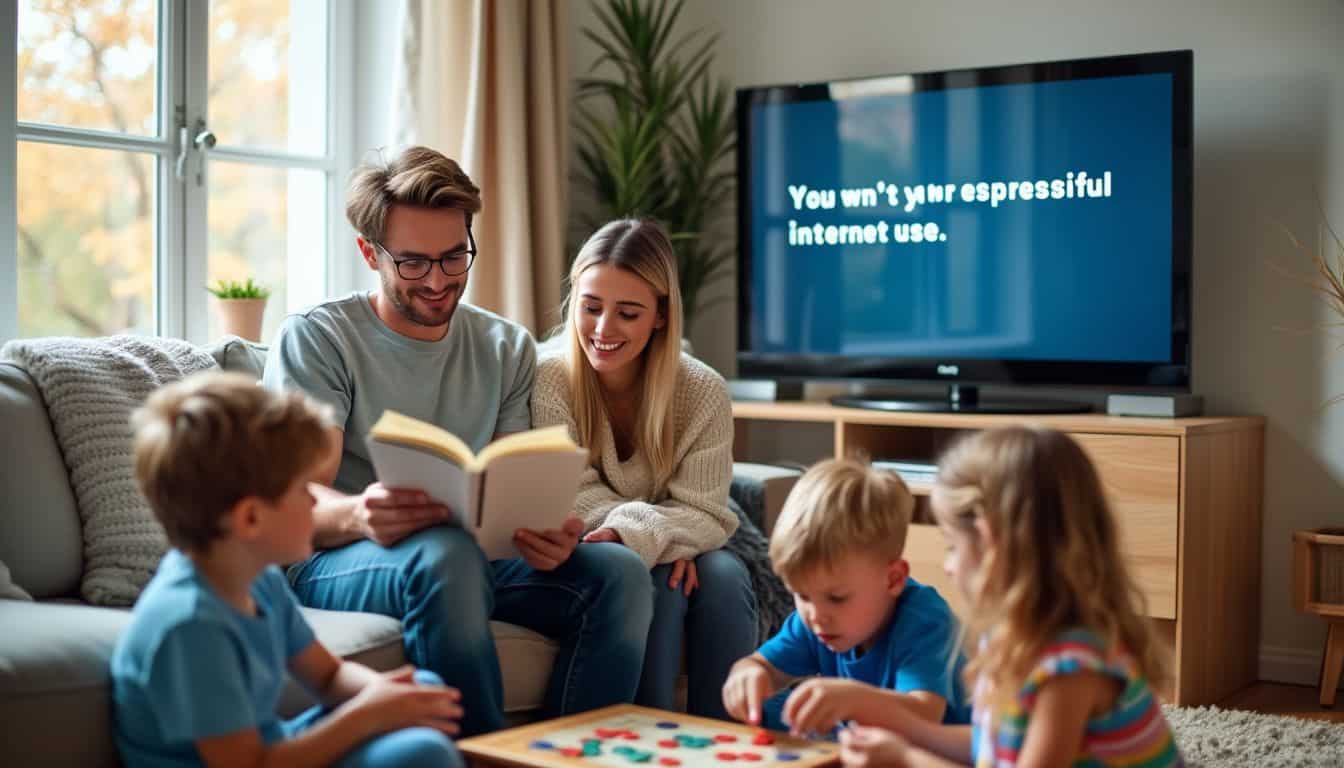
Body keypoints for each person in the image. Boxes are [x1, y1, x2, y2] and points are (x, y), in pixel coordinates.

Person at [262, 146, 652, 736]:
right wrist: (362, 515)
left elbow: (510, 481)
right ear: (371, 253)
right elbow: (295, 502)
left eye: (454, 256)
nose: (440, 281)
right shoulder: (321, 340)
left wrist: (544, 526)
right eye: (414, 263)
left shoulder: (505, 346)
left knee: (618, 573)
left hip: (474, 555)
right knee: (447, 555)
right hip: (337, 557)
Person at [111, 371, 463, 768]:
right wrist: (370, 714)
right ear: (250, 519)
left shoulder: (258, 579)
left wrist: (384, 694)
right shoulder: (190, 627)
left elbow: (328, 678)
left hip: (275, 748)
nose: (317, 505)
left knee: (424, 691)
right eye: (304, 491)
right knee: (422, 753)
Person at [838, 426, 1182, 768]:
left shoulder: (1070, 666)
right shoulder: (1012, 637)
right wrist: (905, 731)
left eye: (952, 546)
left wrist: (906, 760)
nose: (948, 566)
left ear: (991, 545)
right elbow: (992, 746)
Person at [530, 218, 757, 719]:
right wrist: (650, 536)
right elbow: (570, 496)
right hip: (591, 546)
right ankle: (648, 749)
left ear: (659, 315)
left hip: (663, 541)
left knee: (722, 575)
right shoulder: (549, 378)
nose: (602, 330)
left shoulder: (702, 391)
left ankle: (728, 747)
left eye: (627, 314)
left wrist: (647, 535)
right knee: (661, 583)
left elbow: (705, 509)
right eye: (590, 308)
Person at [722, 458, 970, 736]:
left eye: (837, 598)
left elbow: (925, 713)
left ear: (893, 579)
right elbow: (763, 666)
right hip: (871, 746)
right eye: (801, 595)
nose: (815, 616)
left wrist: (852, 700)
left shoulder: (926, 621)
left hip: (940, 754)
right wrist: (747, 674)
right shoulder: (815, 619)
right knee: (776, 706)